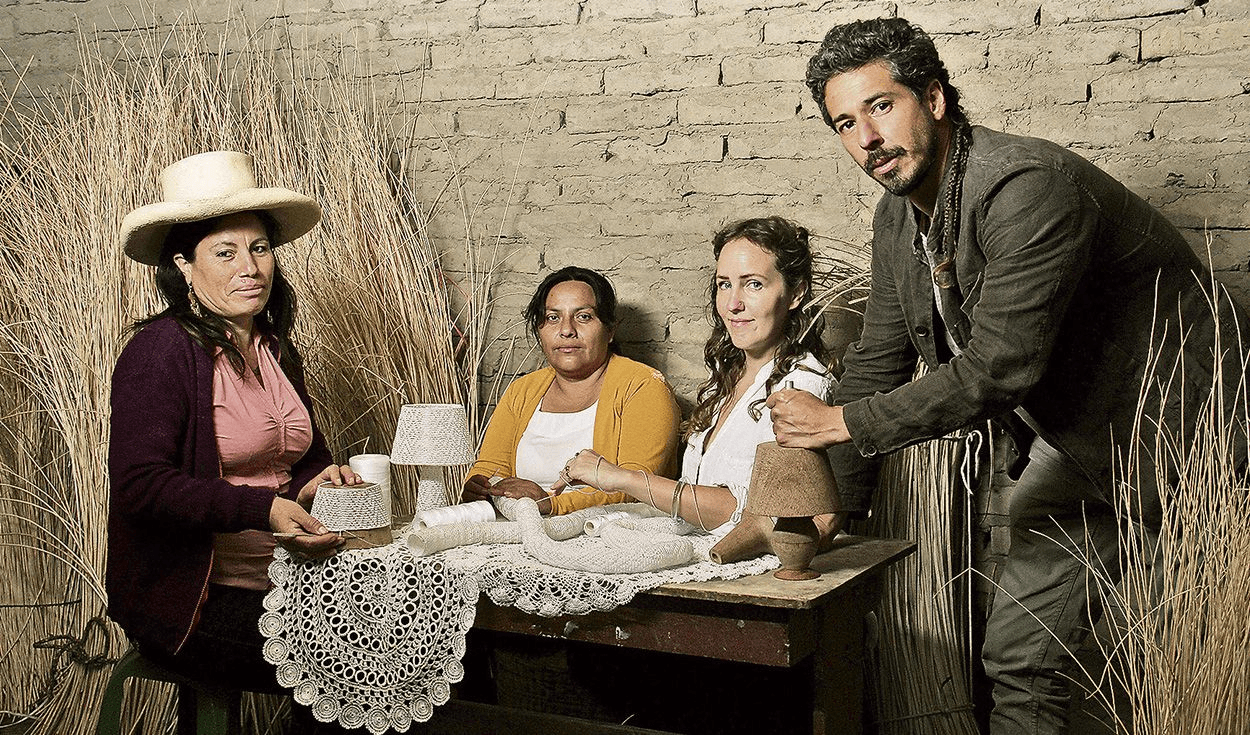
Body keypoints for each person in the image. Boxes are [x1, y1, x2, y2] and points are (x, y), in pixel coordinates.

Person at [770, 18, 1250, 735]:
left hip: (1197, 448)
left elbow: (1000, 365)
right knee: (1021, 660)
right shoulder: (896, 220)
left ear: (932, 98)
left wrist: (840, 421)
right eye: (844, 122)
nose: (865, 139)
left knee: (1203, 669)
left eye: (880, 106)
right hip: (1079, 451)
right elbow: (877, 358)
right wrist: (833, 499)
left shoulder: (1027, 184)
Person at [108, 150, 356, 732]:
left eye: (260, 248)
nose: (251, 267)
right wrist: (262, 507)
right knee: (345, 660)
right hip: (196, 596)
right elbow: (141, 485)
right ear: (184, 267)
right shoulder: (160, 352)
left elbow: (300, 456)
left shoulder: (271, 347)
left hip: (287, 575)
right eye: (226, 252)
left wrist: (316, 482)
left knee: (411, 633)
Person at [562, 216, 841, 543]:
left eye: (754, 284)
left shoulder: (803, 385)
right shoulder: (726, 377)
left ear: (796, 293)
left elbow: (763, 515)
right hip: (700, 558)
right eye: (725, 284)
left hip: (755, 572)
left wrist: (619, 477)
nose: (733, 304)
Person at [461, 265, 681, 515]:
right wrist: (479, 487)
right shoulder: (522, 391)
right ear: (539, 330)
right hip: (520, 529)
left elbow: (636, 488)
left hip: (605, 536)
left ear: (609, 330)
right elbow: (490, 468)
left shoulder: (642, 386)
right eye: (553, 317)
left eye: (584, 316)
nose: (566, 330)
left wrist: (549, 503)